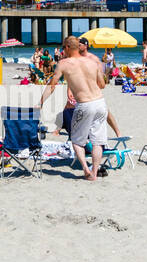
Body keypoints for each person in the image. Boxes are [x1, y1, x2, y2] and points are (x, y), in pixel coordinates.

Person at [40, 36, 106, 181]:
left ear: (68, 48)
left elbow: (52, 86)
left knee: (76, 140)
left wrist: (41, 102)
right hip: (100, 103)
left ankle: (86, 170)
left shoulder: (64, 63)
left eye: (63, 48)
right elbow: (102, 84)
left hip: (84, 104)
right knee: (97, 141)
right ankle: (95, 171)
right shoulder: (93, 62)